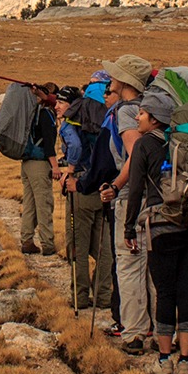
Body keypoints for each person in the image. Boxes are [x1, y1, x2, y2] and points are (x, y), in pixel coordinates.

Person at [118, 98, 188, 374]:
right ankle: (186, 361)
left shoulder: (145, 145)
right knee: (187, 290)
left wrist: (129, 227)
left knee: (166, 292)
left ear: (154, 119)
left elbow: (135, 191)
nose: (137, 119)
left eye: (142, 114)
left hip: (160, 225)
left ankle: (165, 360)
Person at [100, 54, 170, 354]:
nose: (110, 80)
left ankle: (135, 332)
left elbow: (135, 155)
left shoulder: (128, 113)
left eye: (115, 76)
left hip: (133, 197)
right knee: (154, 264)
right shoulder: (153, 108)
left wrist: (116, 186)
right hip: (158, 197)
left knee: (129, 264)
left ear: (126, 81)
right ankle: (161, 328)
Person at [57, 86, 116, 311]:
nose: (56, 106)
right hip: (102, 185)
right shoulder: (100, 118)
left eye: (60, 102)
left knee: (78, 247)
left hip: (80, 185)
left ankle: (80, 297)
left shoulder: (71, 123)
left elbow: (76, 146)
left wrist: (70, 170)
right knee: (104, 247)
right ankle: (103, 296)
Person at [16, 84, 60, 256]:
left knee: (29, 203)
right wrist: (55, 166)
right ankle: (47, 244)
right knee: (44, 204)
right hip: (40, 164)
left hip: (26, 162)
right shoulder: (46, 115)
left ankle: (27, 241)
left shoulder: (31, 113)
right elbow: (49, 144)